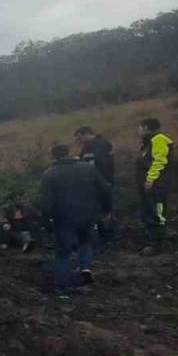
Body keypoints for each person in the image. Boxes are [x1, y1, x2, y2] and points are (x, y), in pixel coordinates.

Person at [39, 144, 113, 294]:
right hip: (88, 215)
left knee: (62, 252)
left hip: (63, 217)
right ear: (68, 153)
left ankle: (63, 287)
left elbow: (45, 201)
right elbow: (105, 189)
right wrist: (106, 210)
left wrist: (46, 221)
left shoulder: (49, 174)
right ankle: (85, 268)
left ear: (54, 157)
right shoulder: (88, 168)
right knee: (85, 241)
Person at [136, 118, 173, 256]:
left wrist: (150, 179)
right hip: (148, 185)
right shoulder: (148, 143)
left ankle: (157, 244)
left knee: (157, 213)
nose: (138, 131)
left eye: (140, 128)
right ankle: (151, 240)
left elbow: (159, 161)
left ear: (146, 128)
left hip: (156, 185)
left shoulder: (158, 139)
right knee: (148, 212)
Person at [74, 126, 117, 242]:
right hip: (93, 183)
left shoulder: (100, 144)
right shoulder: (87, 146)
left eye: (80, 138)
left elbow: (99, 162)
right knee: (96, 211)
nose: (80, 141)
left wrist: (82, 161)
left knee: (104, 210)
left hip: (103, 182)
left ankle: (108, 237)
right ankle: (101, 237)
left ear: (87, 134)